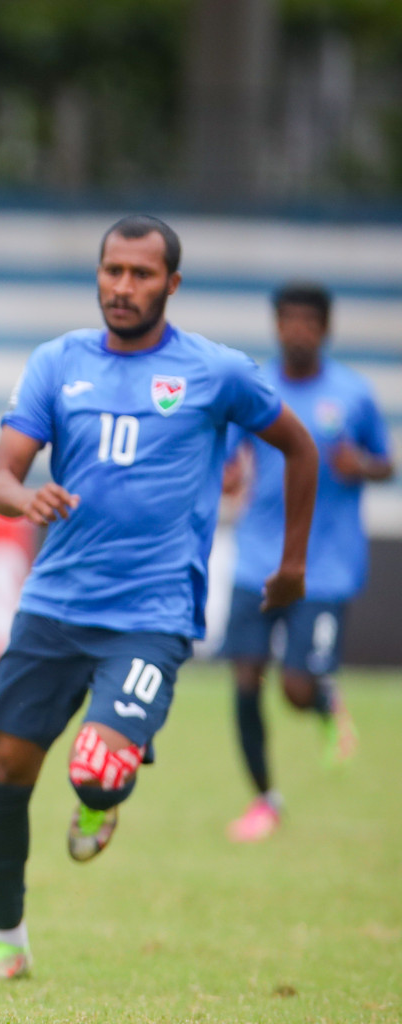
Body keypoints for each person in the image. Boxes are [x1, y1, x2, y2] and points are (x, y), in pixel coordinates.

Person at [0, 215, 318, 982]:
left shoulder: (215, 371)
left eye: (141, 275)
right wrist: (21, 499)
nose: (123, 287)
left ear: (172, 285)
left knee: (93, 768)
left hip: (150, 617)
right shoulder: (57, 363)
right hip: (55, 602)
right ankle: (7, 942)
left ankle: (101, 794)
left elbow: (299, 445)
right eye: (113, 271)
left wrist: (291, 565)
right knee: (5, 764)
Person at [221, 282, 392, 842]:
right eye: (288, 320)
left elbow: (385, 465)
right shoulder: (256, 389)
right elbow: (229, 461)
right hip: (256, 559)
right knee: (245, 677)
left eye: (308, 322)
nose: (298, 330)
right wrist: (227, 477)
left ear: (324, 329)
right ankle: (264, 800)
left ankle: (323, 698)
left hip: (325, 566)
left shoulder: (353, 394)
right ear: (276, 325)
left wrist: (360, 466)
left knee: (295, 687)